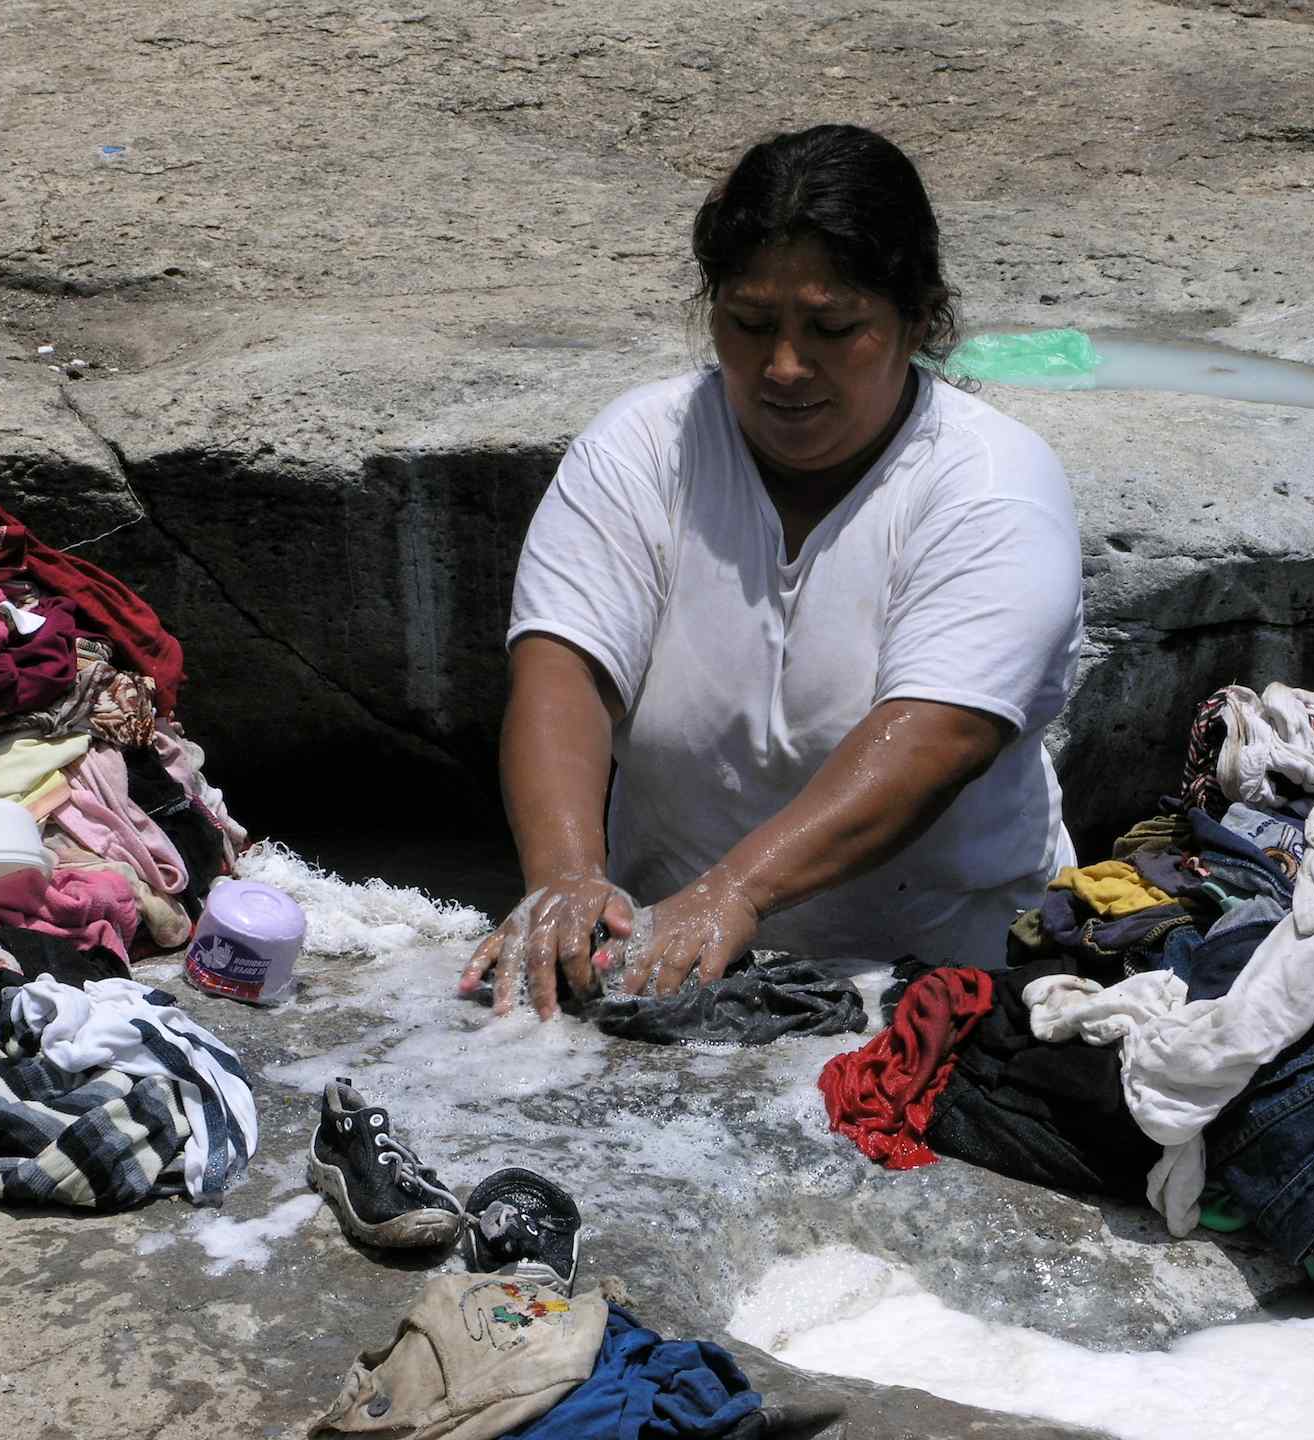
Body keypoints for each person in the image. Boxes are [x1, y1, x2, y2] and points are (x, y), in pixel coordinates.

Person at [460, 123, 1084, 1018]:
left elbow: (940, 735)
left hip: (942, 977)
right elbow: (564, 667)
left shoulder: (993, 485)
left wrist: (737, 892)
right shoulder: (643, 447)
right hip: (659, 956)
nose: (785, 367)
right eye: (751, 324)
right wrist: (565, 878)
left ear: (917, 320)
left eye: (833, 328)